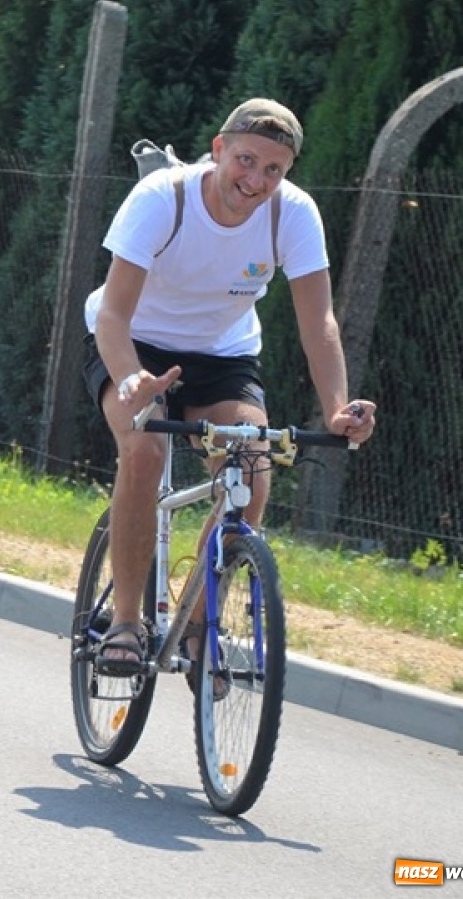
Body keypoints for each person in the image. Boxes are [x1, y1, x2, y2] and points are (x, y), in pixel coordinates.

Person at [80, 98, 376, 677]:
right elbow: (113, 315)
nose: (256, 180)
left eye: (273, 170)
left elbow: (319, 323)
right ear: (218, 150)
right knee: (144, 451)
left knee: (252, 469)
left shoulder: (293, 214)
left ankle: (196, 625)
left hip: (222, 354)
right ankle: (125, 623)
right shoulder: (162, 199)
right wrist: (132, 378)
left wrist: (339, 408)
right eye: (246, 160)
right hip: (134, 344)